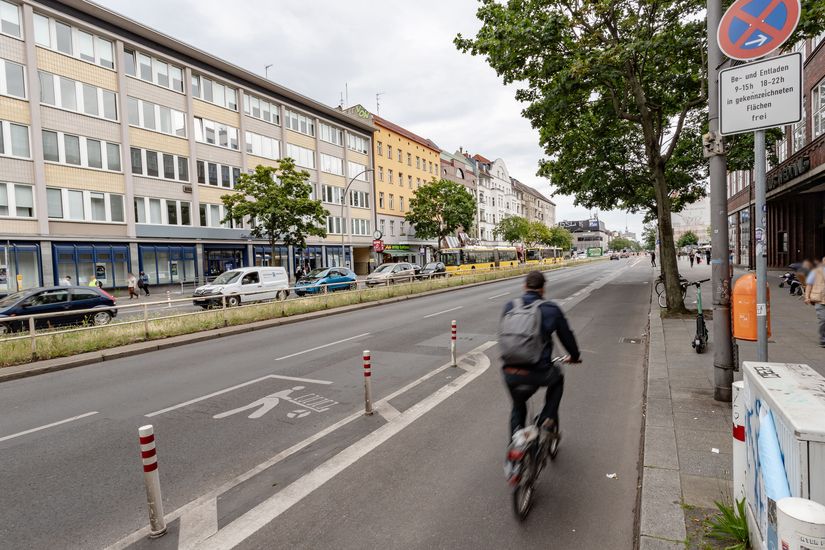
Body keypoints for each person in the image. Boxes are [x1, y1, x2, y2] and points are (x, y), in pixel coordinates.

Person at [500, 271, 581, 440]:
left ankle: (515, 450)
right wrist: (574, 356)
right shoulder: (550, 309)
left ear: (524, 286)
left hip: (510, 371)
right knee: (558, 379)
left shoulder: (510, 306)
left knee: (518, 405)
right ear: (543, 289)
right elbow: (567, 337)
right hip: (539, 371)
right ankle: (547, 418)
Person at [804, 256, 825, 348]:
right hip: (819, 299)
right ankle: (823, 339)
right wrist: (806, 297)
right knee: (823, 320)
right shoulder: (815, 272)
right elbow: (809, 285)